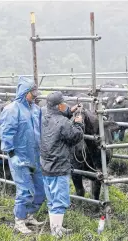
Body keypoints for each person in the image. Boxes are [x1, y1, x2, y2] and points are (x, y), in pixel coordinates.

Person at [0, 76, 45, 234]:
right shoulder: (12, 110)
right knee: (25, 190)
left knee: (40, 189)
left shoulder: (36, 110)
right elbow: (6, 133)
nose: (35, 95)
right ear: (25, 92)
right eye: (33, 92)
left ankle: (29, 215)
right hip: (19, 156)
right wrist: (11, 153)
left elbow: (40, 131)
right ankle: (19, 220)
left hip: (35, 156)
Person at [40, 91, 85, 238]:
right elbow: (74, 136)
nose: (66, 105)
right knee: (59, 199)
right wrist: (78, 123)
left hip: (46, 165)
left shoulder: (44, 116)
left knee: (52, 199)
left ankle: (56, 226)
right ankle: (56, 232)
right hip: (59, 166)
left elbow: (57, 120)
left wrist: (68, 111)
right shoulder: (63, 122)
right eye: (64, 104)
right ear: (59, 106)